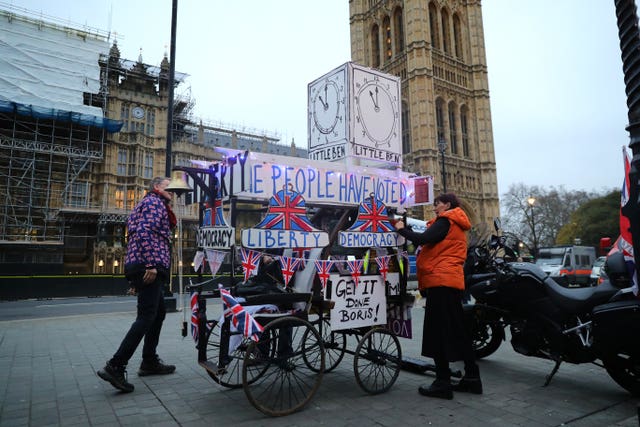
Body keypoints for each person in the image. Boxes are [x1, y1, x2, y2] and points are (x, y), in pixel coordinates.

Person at [395, 193, 482, 399]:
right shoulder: (454, 224)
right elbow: (426, 242)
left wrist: (401, 229)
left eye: (437, 204)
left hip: (441, 282)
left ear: (448, 205)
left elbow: (423, 238)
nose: (434, 208)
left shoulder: (446, 221)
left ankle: (442, 382)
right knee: (458, 332)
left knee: (438, 332)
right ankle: (472, 379)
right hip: (449, 283)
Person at [97, 177, 177, 393]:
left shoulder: (151, 203)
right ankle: (115, 365)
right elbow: (144, 232)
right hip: (148, 264)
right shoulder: (153, 203)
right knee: (146, 316)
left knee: (158, 313)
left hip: (142, 262)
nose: (173, 190)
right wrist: (150, 264)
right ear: (157, 187)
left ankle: (149, 361)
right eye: (169, 185)